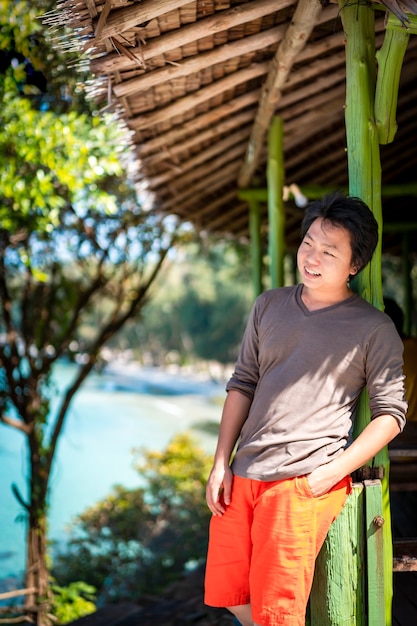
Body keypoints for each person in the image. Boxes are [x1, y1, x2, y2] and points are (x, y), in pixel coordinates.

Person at [204, 191, 407, 626]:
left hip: (301, 481)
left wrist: (332, 473)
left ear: (355, 264)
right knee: (230, 592)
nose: (311, 257)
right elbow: (242, 384)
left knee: (279, 614)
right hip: (243, 474)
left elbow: (392, 414)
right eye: (308, 243)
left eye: (329, 251)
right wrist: (221, 463)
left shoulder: (374, 328)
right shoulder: (269, 305)